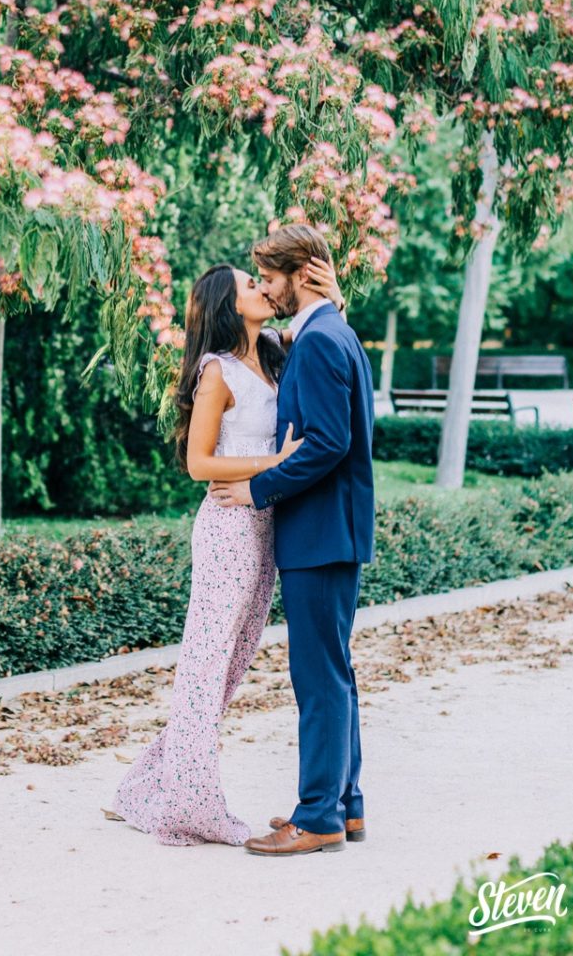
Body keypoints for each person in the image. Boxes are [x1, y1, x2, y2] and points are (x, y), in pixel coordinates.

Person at [105, 254, 342, 845]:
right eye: (248, 285)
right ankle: (193, 804)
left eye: (260, 281)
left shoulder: (275, 353)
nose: (261, 288)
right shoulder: (217, 371)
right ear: (226, 306)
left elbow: (325, 329)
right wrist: (276, 462)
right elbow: (197, 463)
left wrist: (333, 293)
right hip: (229, 527)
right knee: (206, 665)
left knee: (229, 666)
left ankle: (143, 787)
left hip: (267, 528)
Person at [208, 224, 377, 857]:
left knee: (318, 678)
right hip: (332, 530)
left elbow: (328, 444)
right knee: (334, 673)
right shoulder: (330, 332)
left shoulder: (320, 342)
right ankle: (345, 806)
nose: (268, 290)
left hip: (320, 531)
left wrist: (258, 489)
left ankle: (318, 819)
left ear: (302, 273)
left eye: (272, 277)